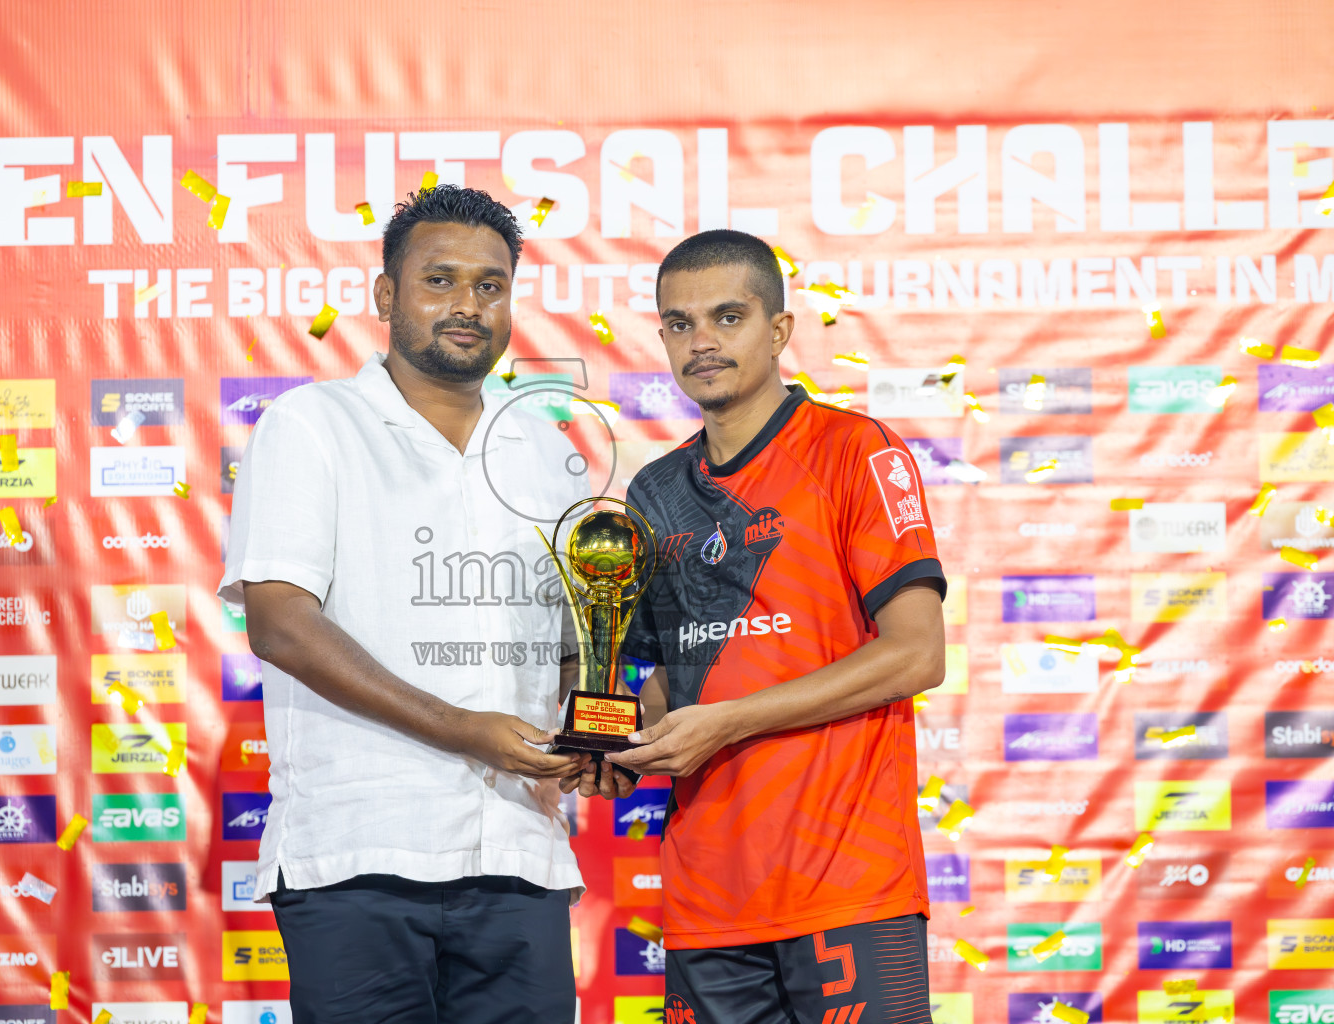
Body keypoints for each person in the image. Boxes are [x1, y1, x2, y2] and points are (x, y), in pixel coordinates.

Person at [218, 185, 596, 1024]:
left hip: (518, 852)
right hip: (361, 853)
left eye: (490, 286)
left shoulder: (547, 446)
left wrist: (589, 727)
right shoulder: (312, 424)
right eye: (441, 281)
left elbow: (573, 634)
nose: (468, 306)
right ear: (387, 295)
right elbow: (280, 622)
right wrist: (464, 728)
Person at [606, 229, 947, 1024]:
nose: (704, 343)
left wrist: (728, 723)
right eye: (680, 324)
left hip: (849, 887)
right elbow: (669, 685)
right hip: (707, 899)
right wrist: (615, 750)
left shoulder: (853, 449)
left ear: (780, 330)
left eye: (729, 317)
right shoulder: (654, 492)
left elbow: (917, 653)